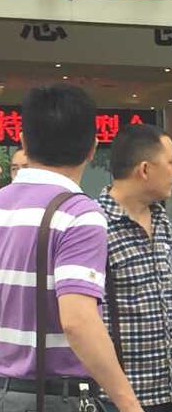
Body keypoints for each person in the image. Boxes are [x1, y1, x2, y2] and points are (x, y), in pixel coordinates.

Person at [0, 83, 144, 412]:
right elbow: (78, 321)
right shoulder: (78, 214)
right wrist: (129, 404)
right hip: (51, 396)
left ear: (23, 142)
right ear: (93, 148)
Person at [97, 124, 172, 412]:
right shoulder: (94, 225)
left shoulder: (162, 222)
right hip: (119, 397)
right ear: (145, 169)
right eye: (171, 162)